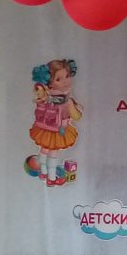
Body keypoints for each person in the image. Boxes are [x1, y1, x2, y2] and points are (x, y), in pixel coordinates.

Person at [30, 59, 82, 187]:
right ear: (50, 83)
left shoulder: (45, 96)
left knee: (44, 149)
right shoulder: (65, 100)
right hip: (58, 130)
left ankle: (43, 172)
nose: (66, 81)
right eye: (59, 79)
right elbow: (77, 116)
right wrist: (74, 107)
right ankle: (52, 178)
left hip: (43, 128)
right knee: (53, 154)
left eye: (67, 76)